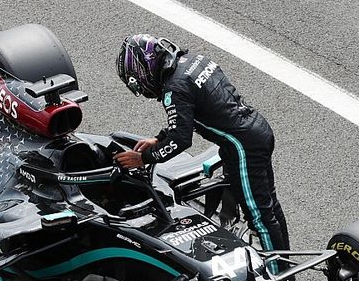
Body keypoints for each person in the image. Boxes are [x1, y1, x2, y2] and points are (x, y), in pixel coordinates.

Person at [113, 33, 290, 253]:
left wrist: (143, 158)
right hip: (258, 131)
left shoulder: (174, 88)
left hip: (242, 148)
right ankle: (285, 263)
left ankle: (280, 280)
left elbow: (180, 139)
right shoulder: (194, 61)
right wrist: (159, 138)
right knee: (270, 206)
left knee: (259, 218)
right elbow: (199, 110)